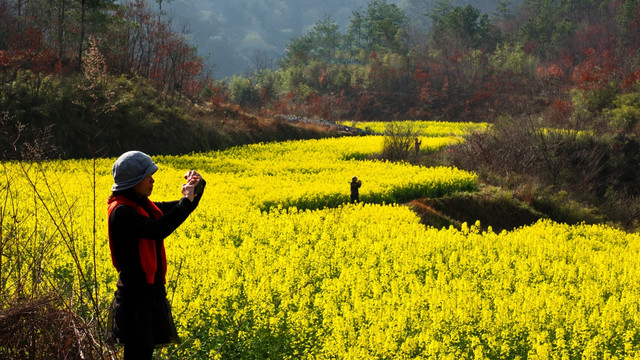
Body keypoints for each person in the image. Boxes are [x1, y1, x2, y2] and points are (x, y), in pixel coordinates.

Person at [105, 150, 204, 360]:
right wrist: (185, 201)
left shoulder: (141, 205)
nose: (152, 179)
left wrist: (197, 187)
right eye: (148, 175)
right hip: (136, 300)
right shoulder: (122, 212)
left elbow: (180, 208)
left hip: (148, 296)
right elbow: (158, 229)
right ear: (135, 180)